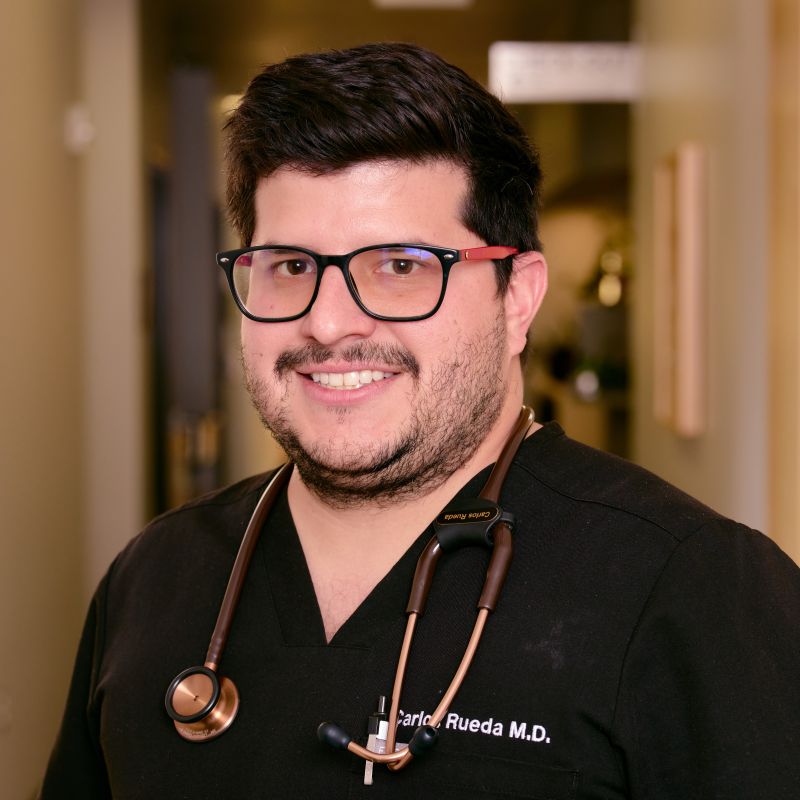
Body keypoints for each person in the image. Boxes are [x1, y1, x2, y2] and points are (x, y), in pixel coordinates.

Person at [41, 43, 800, 799]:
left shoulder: (694, 590)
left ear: (517, 299)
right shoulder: (153, 579)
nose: (330, 324)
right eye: (291, 267)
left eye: (401, 266)